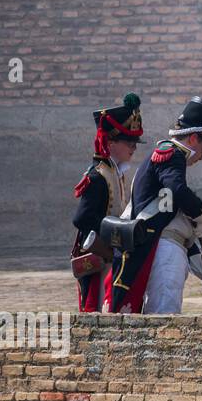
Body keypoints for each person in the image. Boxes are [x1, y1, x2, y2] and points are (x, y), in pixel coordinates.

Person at [106, 97, 202, 314]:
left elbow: (169, 219)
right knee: (163, 317)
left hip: (163, 247)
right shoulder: (171, 154)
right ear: (193, 138)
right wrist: (201, 213)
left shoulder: (170, 160)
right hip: (164, 251)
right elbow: (178, 191)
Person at [71, 93, 144, 312]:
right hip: (99, 258)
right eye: (129, 142)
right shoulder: (98, 176)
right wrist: (110, 243)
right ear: (110, 141)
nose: (134, 147)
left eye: (135, 142)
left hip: (111, 258)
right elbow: (82, 219)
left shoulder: (115, 173)